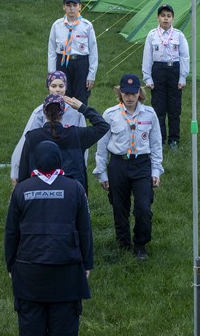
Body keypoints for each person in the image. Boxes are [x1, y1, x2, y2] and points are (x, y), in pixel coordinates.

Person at [5, 141, 93, 336]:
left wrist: (10, 263)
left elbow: (11, 231)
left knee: (31, 319)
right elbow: (85, 230)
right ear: (58, 160)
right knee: (64, 318)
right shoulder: (75, 188)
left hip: (29, 267)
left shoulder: (21, 190)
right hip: (66, 267)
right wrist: (88, 263)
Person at [95, 73, 163, 260]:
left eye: (133, 93)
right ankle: (123, 242)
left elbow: (156, 144)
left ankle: (140, 244)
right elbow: (102, 146)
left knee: (143, 208)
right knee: (119, 206)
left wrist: (156, 170)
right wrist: (101, 173)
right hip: (118, 164)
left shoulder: (149, 114)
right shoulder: (110, 115)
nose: (130, 98)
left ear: (139, 93)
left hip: (141, 164)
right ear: (120, 94)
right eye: (126, 94)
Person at [10, 71, 86, 188]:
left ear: (66, 87)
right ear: (48, 87)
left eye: (61, 86)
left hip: (69, 167)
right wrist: (15, 170)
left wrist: (83, 165)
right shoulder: (40, 112)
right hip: (45, 166)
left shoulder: (76, 113)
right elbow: (25, 141)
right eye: (53, 86)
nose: (58, 90)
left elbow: (83, 144)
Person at [17, 93, 110, 188]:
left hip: (39, 191)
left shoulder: (32, 137)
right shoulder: (76, 135)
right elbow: (103, 126)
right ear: (63, 113)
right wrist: (82, 108)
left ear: (44, 113)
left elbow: (23, 171)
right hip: (72, 192)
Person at [141, 4, 190, 149]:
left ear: (173, 19)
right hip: (158, 71)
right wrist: (148, 78)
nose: (166, 19)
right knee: (159, 107)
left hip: (173, 70)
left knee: (174, 107)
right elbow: (147, 57)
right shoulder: (152, 35)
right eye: (163, 16)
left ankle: (174, 139)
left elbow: (184, 57)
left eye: (169, 16)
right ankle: (160, 138)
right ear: (158, 18)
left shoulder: (179, 35)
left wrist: (182, 77)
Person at [47, 0, 97, 104]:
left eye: (74, 5)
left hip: (81, 64)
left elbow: (93, 51)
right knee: (62, 95)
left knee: (81, 97)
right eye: (68, 5)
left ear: (80, 6)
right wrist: (52, 73)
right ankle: (62, 120)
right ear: (64, 6)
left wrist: (91, 74)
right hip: (63, 62)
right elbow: (51, 51)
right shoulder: (57, 25)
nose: (71, 9)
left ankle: (80, 120)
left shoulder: (87, 26)